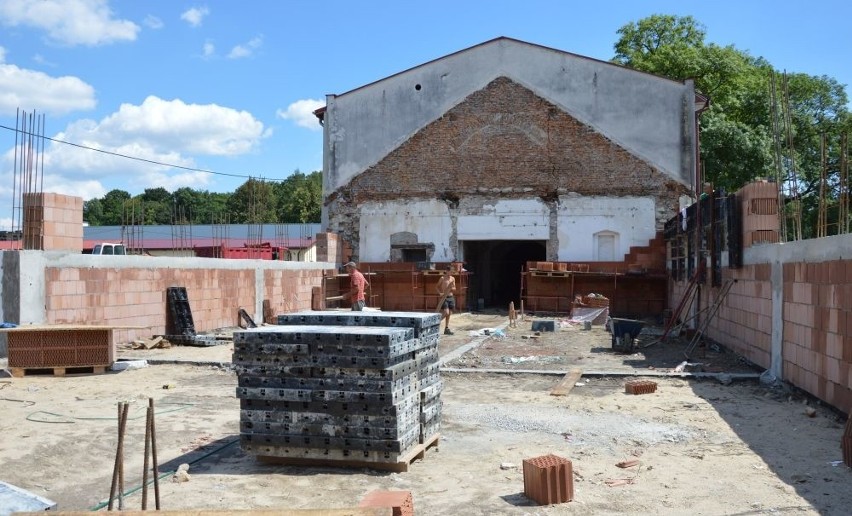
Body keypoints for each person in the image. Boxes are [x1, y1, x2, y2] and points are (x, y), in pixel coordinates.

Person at [436, 266, 457, 335]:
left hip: (451, 297)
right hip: (444, 297)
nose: (451, 273)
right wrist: (440, 293)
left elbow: (454, 288)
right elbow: (437, 287)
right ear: (447, 271)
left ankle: (446, 329)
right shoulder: (442, 278)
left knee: (449, 314)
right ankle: (436, 323)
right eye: (450, 271)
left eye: (452, 272)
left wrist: (451, 288)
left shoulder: (452, 278)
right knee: (446, 312)